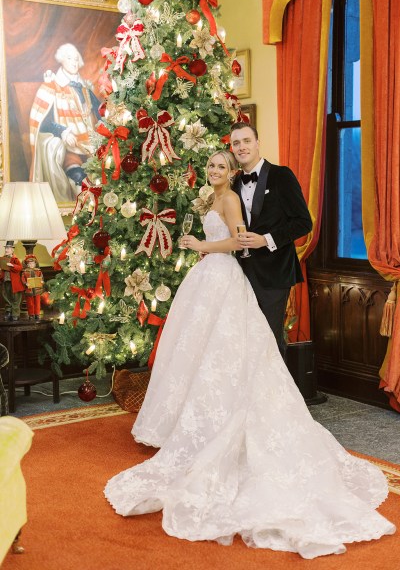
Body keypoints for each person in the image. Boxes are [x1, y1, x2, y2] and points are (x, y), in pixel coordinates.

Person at [104, 151, 395, 559]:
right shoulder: (220, 192)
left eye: (223, 165)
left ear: (245, 153)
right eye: (213, 166)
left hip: (232, 275)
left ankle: (235, 417)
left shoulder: (237, 195)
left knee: (240, 350)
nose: (217, 171)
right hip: (211, 277)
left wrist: (205, 244)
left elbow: (242, 239)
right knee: (205, 352)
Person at [230, 122, 312, 356]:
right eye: (236, 143)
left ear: (257, 143)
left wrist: (265, 239)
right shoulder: (233, 182)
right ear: (232, 148)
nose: (242, 147)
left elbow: (303, 222)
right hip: (241, 272)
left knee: (269, 338)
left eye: (246, 141)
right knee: (245, 338)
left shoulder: (281, 175)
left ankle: (277, 393)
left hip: (274, 273)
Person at [29, 43, 101, 203]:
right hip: (70, 147)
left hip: (92, 145)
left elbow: (100, 113)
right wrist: (63, 131)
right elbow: (43, 122)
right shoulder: (51, 87)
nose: (74, 62)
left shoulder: (85, 88)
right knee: (80, 180)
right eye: (69, 59)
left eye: (76, 59)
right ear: (62, 61)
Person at [0, 241, 24, 321]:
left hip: (14, 283)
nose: (7, 250)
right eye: (6, 248)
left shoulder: (15, 259)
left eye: (8, 248)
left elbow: (20, 268)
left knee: (15, 298)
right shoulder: (3, 258)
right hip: (6, 281)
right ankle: (8, 312)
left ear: (12, 250)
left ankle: (15, 314)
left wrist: (12, 265)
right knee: (7, 297)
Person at [21, 254, 44, 321]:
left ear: (35, 264)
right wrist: (26, 283)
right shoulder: (25, 272)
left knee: (37, 302)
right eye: (30, 264)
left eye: (32, 263)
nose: (31, 265)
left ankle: (37, 314)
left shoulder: (38, 271)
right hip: (29, 290)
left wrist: (42, 281)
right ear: (27, 264)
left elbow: (41, 278)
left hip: (37, 289)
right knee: (30, 303)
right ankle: (31, 314)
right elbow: (22, 279)